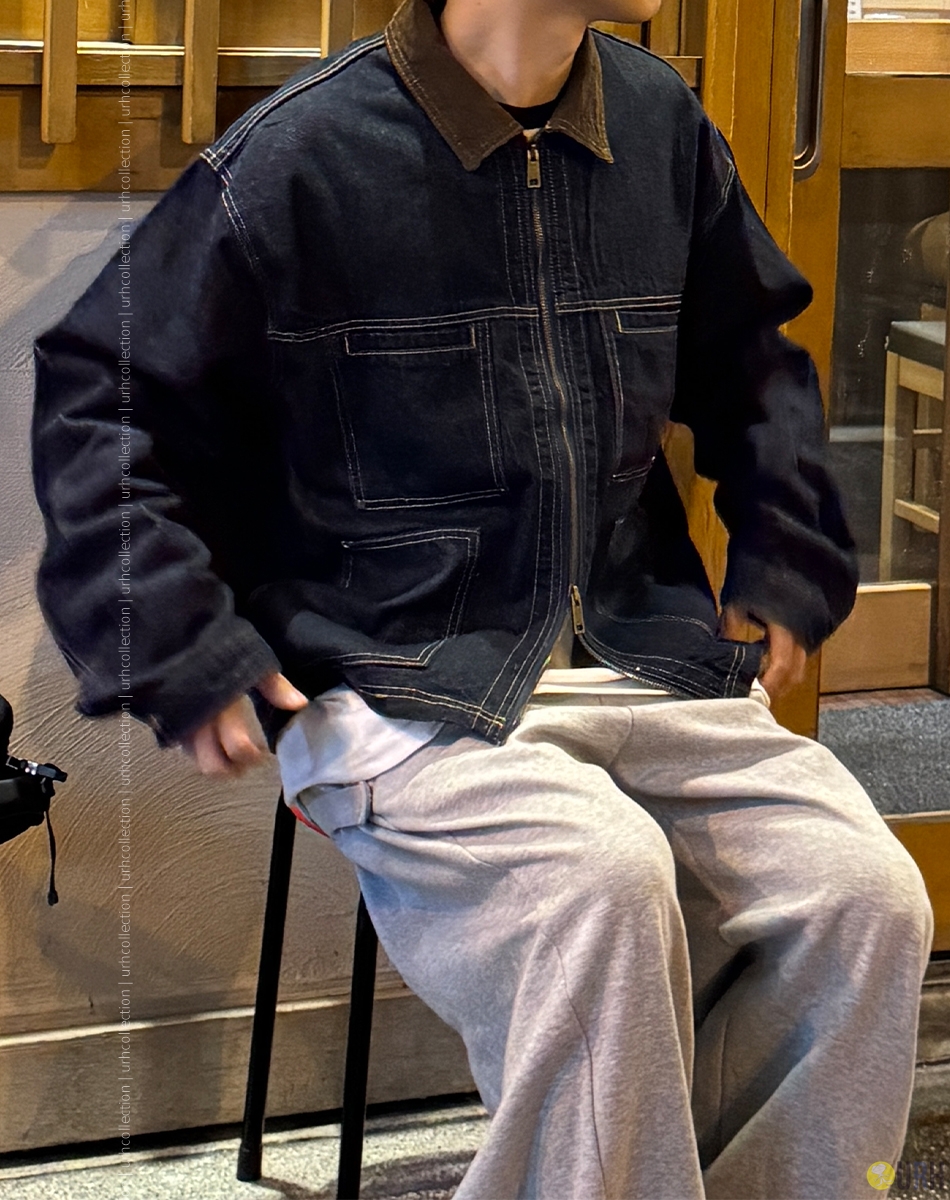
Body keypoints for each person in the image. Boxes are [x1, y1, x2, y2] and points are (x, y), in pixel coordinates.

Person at [31, 0, 933, 1195]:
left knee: (864, 898)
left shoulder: (659, 124)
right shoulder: (303, 155)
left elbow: (752, 361)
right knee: (598, 883)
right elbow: (102, 396)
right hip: (391, 674)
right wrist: (179, 646)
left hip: (642, 655)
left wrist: (786, 545)